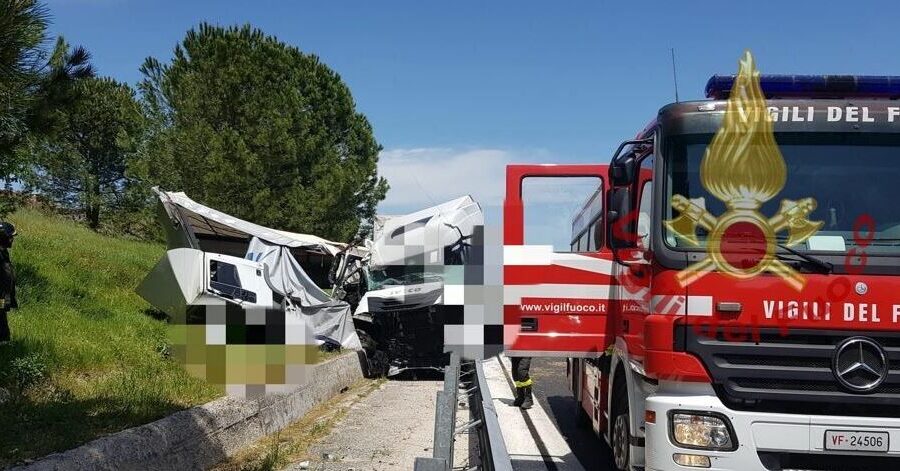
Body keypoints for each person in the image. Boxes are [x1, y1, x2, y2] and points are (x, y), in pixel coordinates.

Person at [0, 222, 17, 345]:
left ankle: (3, 341)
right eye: (10, 236)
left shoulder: (3, 252)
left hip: (2, 295)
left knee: (1, 312)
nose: (12, 239)